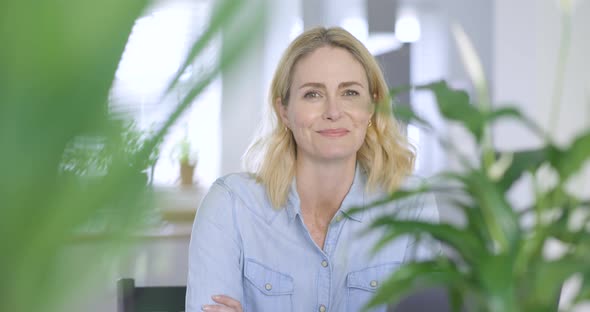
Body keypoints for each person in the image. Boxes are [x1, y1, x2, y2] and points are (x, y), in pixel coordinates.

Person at [185, 26, 439, 312]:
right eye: (313, 95)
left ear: (372, 108)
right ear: (284, 111)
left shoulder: (411, 204)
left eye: (350, 92)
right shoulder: (230, 206)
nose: (333, 111)